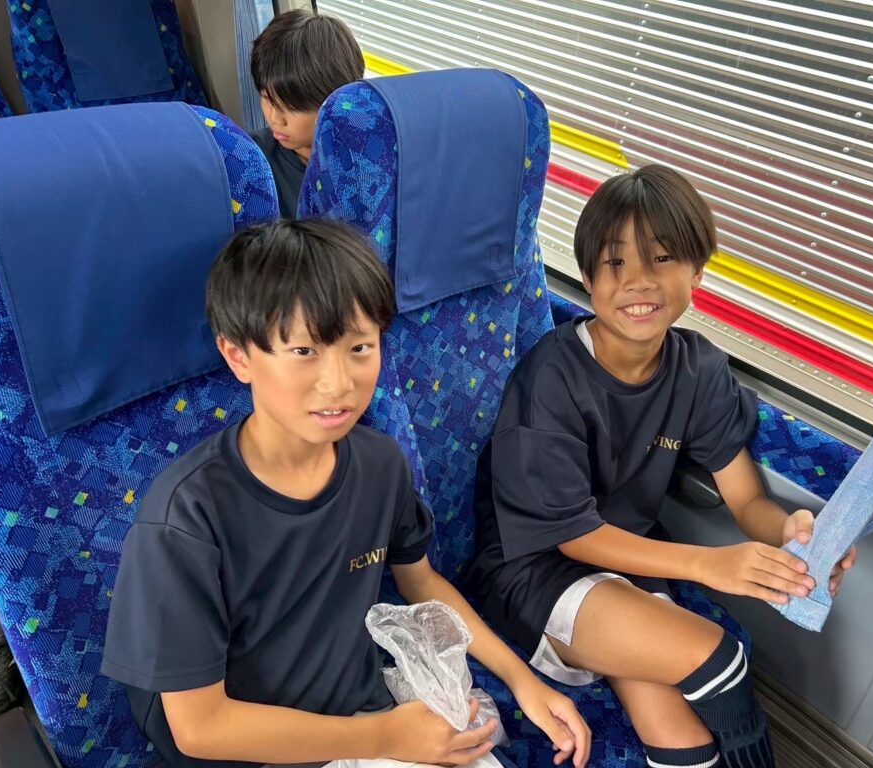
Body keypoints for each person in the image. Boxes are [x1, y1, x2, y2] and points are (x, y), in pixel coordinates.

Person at [102, 219, 591, 768]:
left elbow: (421, 582)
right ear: (239, 357)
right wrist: (383, 738)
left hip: (359, 714)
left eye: (360, 347)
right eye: (304, 351)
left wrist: (523, 682)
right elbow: (200, 729)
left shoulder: (379, 464)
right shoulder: (187, 518)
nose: (339, 383)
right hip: (264, 753)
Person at [466, 165, 858, 768]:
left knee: (686, 744)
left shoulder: (698, 369)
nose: (638, 281)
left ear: (697, 271)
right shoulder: (551, 378)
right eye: (615, 262)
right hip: (534, 568)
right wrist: (707, 564)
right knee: (721, 661)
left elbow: (747, 501)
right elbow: (573, 535)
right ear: (588, 277)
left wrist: (793, 533)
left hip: (630, 560)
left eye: (663, 258)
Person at [249, 9, 363, 218]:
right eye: (267, 98)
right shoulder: (251, 158)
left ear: (337, 100)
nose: (275, 119)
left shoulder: (373, 159)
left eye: (292, 106)